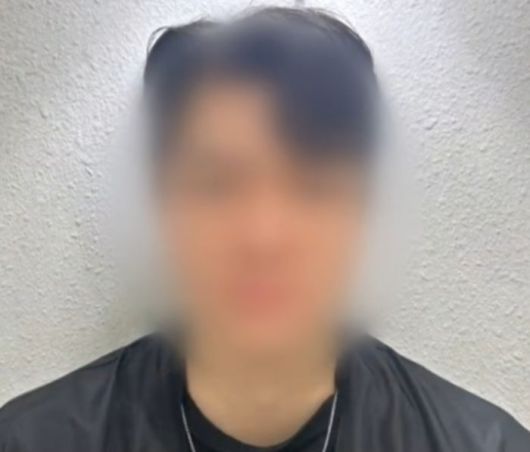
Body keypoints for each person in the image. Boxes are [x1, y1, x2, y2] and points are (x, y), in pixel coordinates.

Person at [0, 7, 528, 452]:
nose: (263, 236)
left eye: (313, 185)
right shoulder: (32, 439)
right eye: (216, 184)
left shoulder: (486, 444)